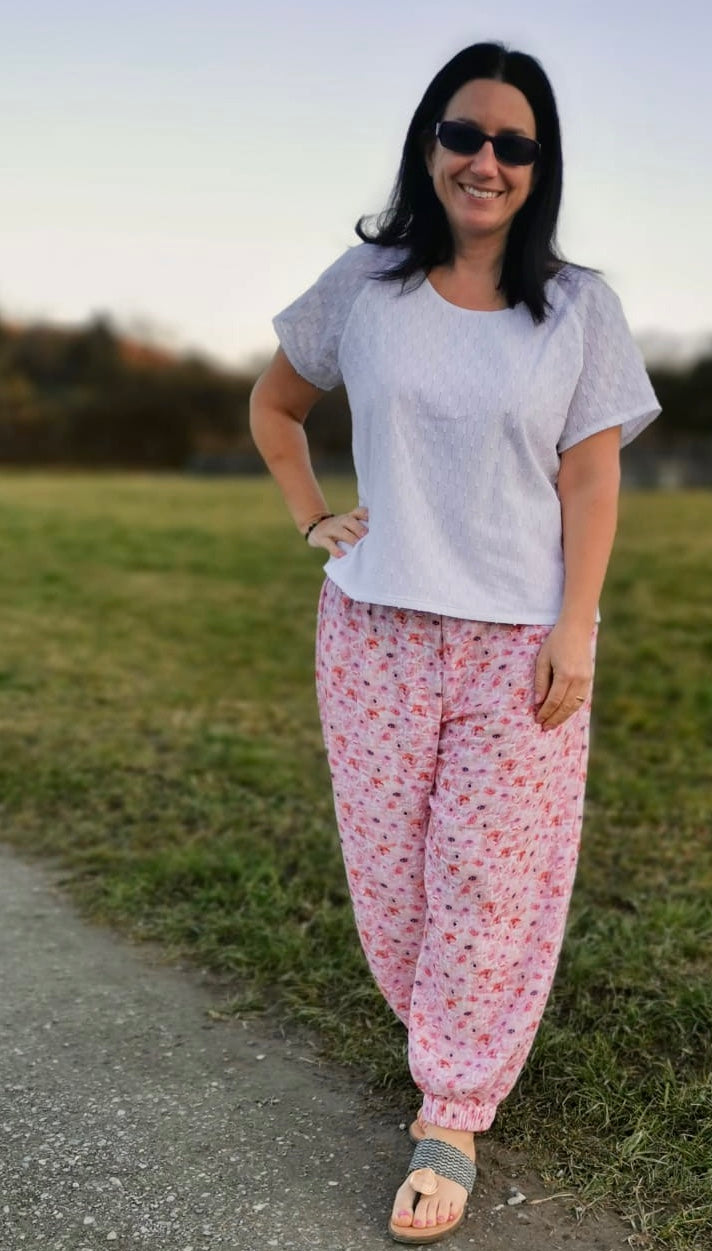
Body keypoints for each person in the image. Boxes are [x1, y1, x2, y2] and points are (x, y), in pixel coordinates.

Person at [249, 39, 660, 1246]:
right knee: (392, 882)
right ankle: (444, 1032)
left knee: (486, 879)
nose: (486, 161)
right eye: (464, 135)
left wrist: (573, 626)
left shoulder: (578, 307)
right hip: (372, 629)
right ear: (429, 144)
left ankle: (452, 1108)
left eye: (513, 144)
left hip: (515, 640)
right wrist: (313, 516)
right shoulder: (366, 284)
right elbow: (276, 407)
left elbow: (590, 484)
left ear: (541, 166)